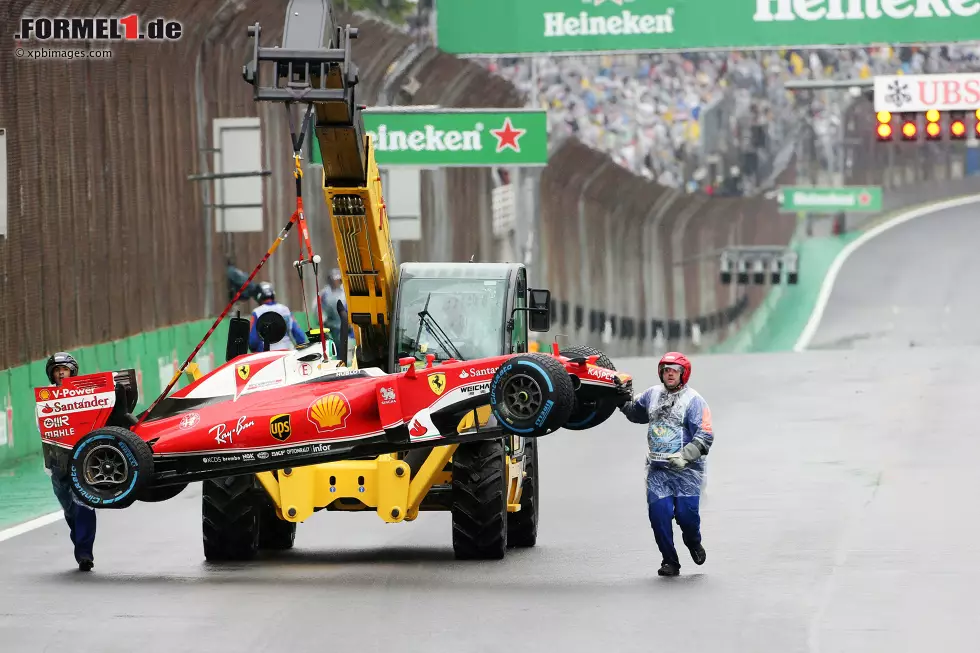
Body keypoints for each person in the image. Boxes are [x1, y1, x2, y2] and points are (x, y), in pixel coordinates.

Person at [619, 351, 713, 577]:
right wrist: (619, 400)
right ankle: (670, 561)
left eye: (674, 371)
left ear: (683, 374)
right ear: (661, 373)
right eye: (666, 370)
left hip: (687, 471)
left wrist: (685, 456)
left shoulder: (694, 401)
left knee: (686, 517)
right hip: (658, 471)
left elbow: (706, 434)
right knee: (658, 516)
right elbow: (636, 413)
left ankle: (693, 542)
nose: (670, 374)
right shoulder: (651, 394)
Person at [44, 352, 97, 572]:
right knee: (69, 509)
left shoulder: (87, 394)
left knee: (85, 505)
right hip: (58, 462)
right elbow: (43, 428)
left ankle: (85, 553)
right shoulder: (45, 400)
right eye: (56, 370)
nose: (60, 373)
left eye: (64, 369)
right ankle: (80, 543)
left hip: (84, 459)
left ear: (72, 371)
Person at [248, 281, 308, 352]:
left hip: (267, 355)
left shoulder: (257, 312)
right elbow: (299, 336)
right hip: (287, 352)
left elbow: (253, 342)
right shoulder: (285, 309)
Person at [318, 268, 346, 351]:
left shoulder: (344, 291)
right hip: (332, 325)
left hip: (345, 323)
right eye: (334, 280)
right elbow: (318, 307)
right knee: (336, 346)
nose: (336, 282)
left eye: (338, 280)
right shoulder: (325, 293)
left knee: (347, 346)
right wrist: (323, 319)